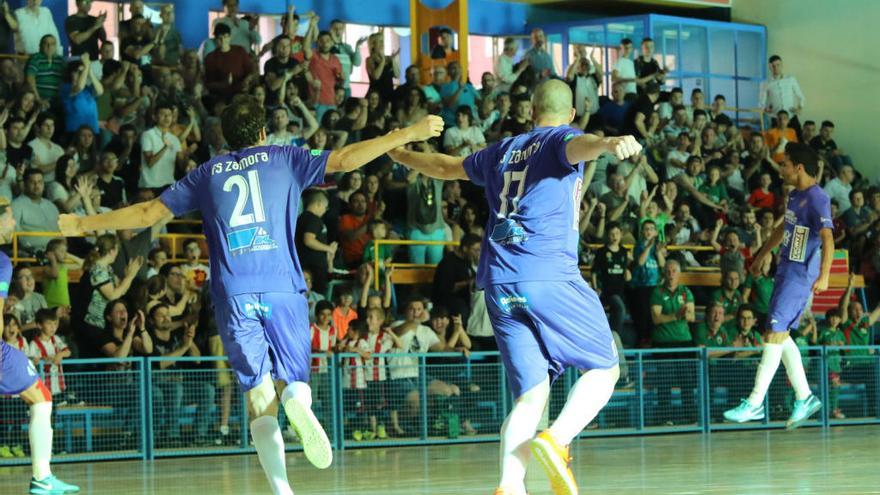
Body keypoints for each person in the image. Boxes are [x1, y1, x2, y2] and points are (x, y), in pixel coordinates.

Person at [58, 94, 443, 495]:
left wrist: (84, 223)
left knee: (258, 396)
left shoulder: (206, 173)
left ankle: (282, 490)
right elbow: (345, 159)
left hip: (233, 291)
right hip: (281, 286)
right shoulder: (285, 156)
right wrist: (408, 133)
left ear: (225, 137)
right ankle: (296, 396)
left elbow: (146, 214)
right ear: (263, 131)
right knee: (293, 382)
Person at [387, 79, 642, 495]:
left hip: (499, 286)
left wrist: (398, 151)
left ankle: (509, 486)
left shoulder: (500, 150)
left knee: (531, 394)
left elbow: (444, 167)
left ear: (531, 110)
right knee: (606, 366)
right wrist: (609, 143)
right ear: (572, 114)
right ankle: (557, 440)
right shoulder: (562, 139)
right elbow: (578, 147)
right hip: (547, 275)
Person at [723, 142, 833, 430]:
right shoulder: (795, 195)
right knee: (780, 334)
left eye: (783, 164)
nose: (779, 167)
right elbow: (784, 229)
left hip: (800, 276)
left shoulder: (818, 198)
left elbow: (828, 238)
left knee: (773, 332)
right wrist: (761, 255)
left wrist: (824, 275)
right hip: (785, 271)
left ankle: (755, 401)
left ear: (798, 167)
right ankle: (805, 396)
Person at [0, 196, 80, 494]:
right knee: (43, 398)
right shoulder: (2, 262)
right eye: (8, 216)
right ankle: (41, 478)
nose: (14, 222)